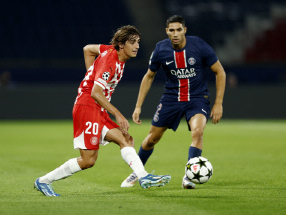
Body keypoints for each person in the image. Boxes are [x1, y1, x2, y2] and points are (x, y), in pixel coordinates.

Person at [34, 25, 171, 196]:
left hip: (97, 108)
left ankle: (143, 176)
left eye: (138, 42)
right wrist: (119, 114)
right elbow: (95, 92)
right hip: (87, 107)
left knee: (126, 140)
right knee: (88, 161)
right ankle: (43, 181)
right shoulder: (110, 61)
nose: (137, 46)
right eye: (132, 42)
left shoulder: (110, 51)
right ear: (121, 45)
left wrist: (92, 73)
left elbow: (88, 49)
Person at [121, 15, 226, 189]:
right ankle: (138, 172)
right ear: (167, 32)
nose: (175, 33)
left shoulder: (199, 45)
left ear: (185, 30)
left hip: (197, 98)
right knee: (151, 140)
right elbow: (149, 76)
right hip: (171, 99)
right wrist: (138, 106)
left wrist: (218, 103)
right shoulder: (161, 49)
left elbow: (220, 71)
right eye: (172, 30)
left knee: (197, 132)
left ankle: (189, 176)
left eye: (179, 29)